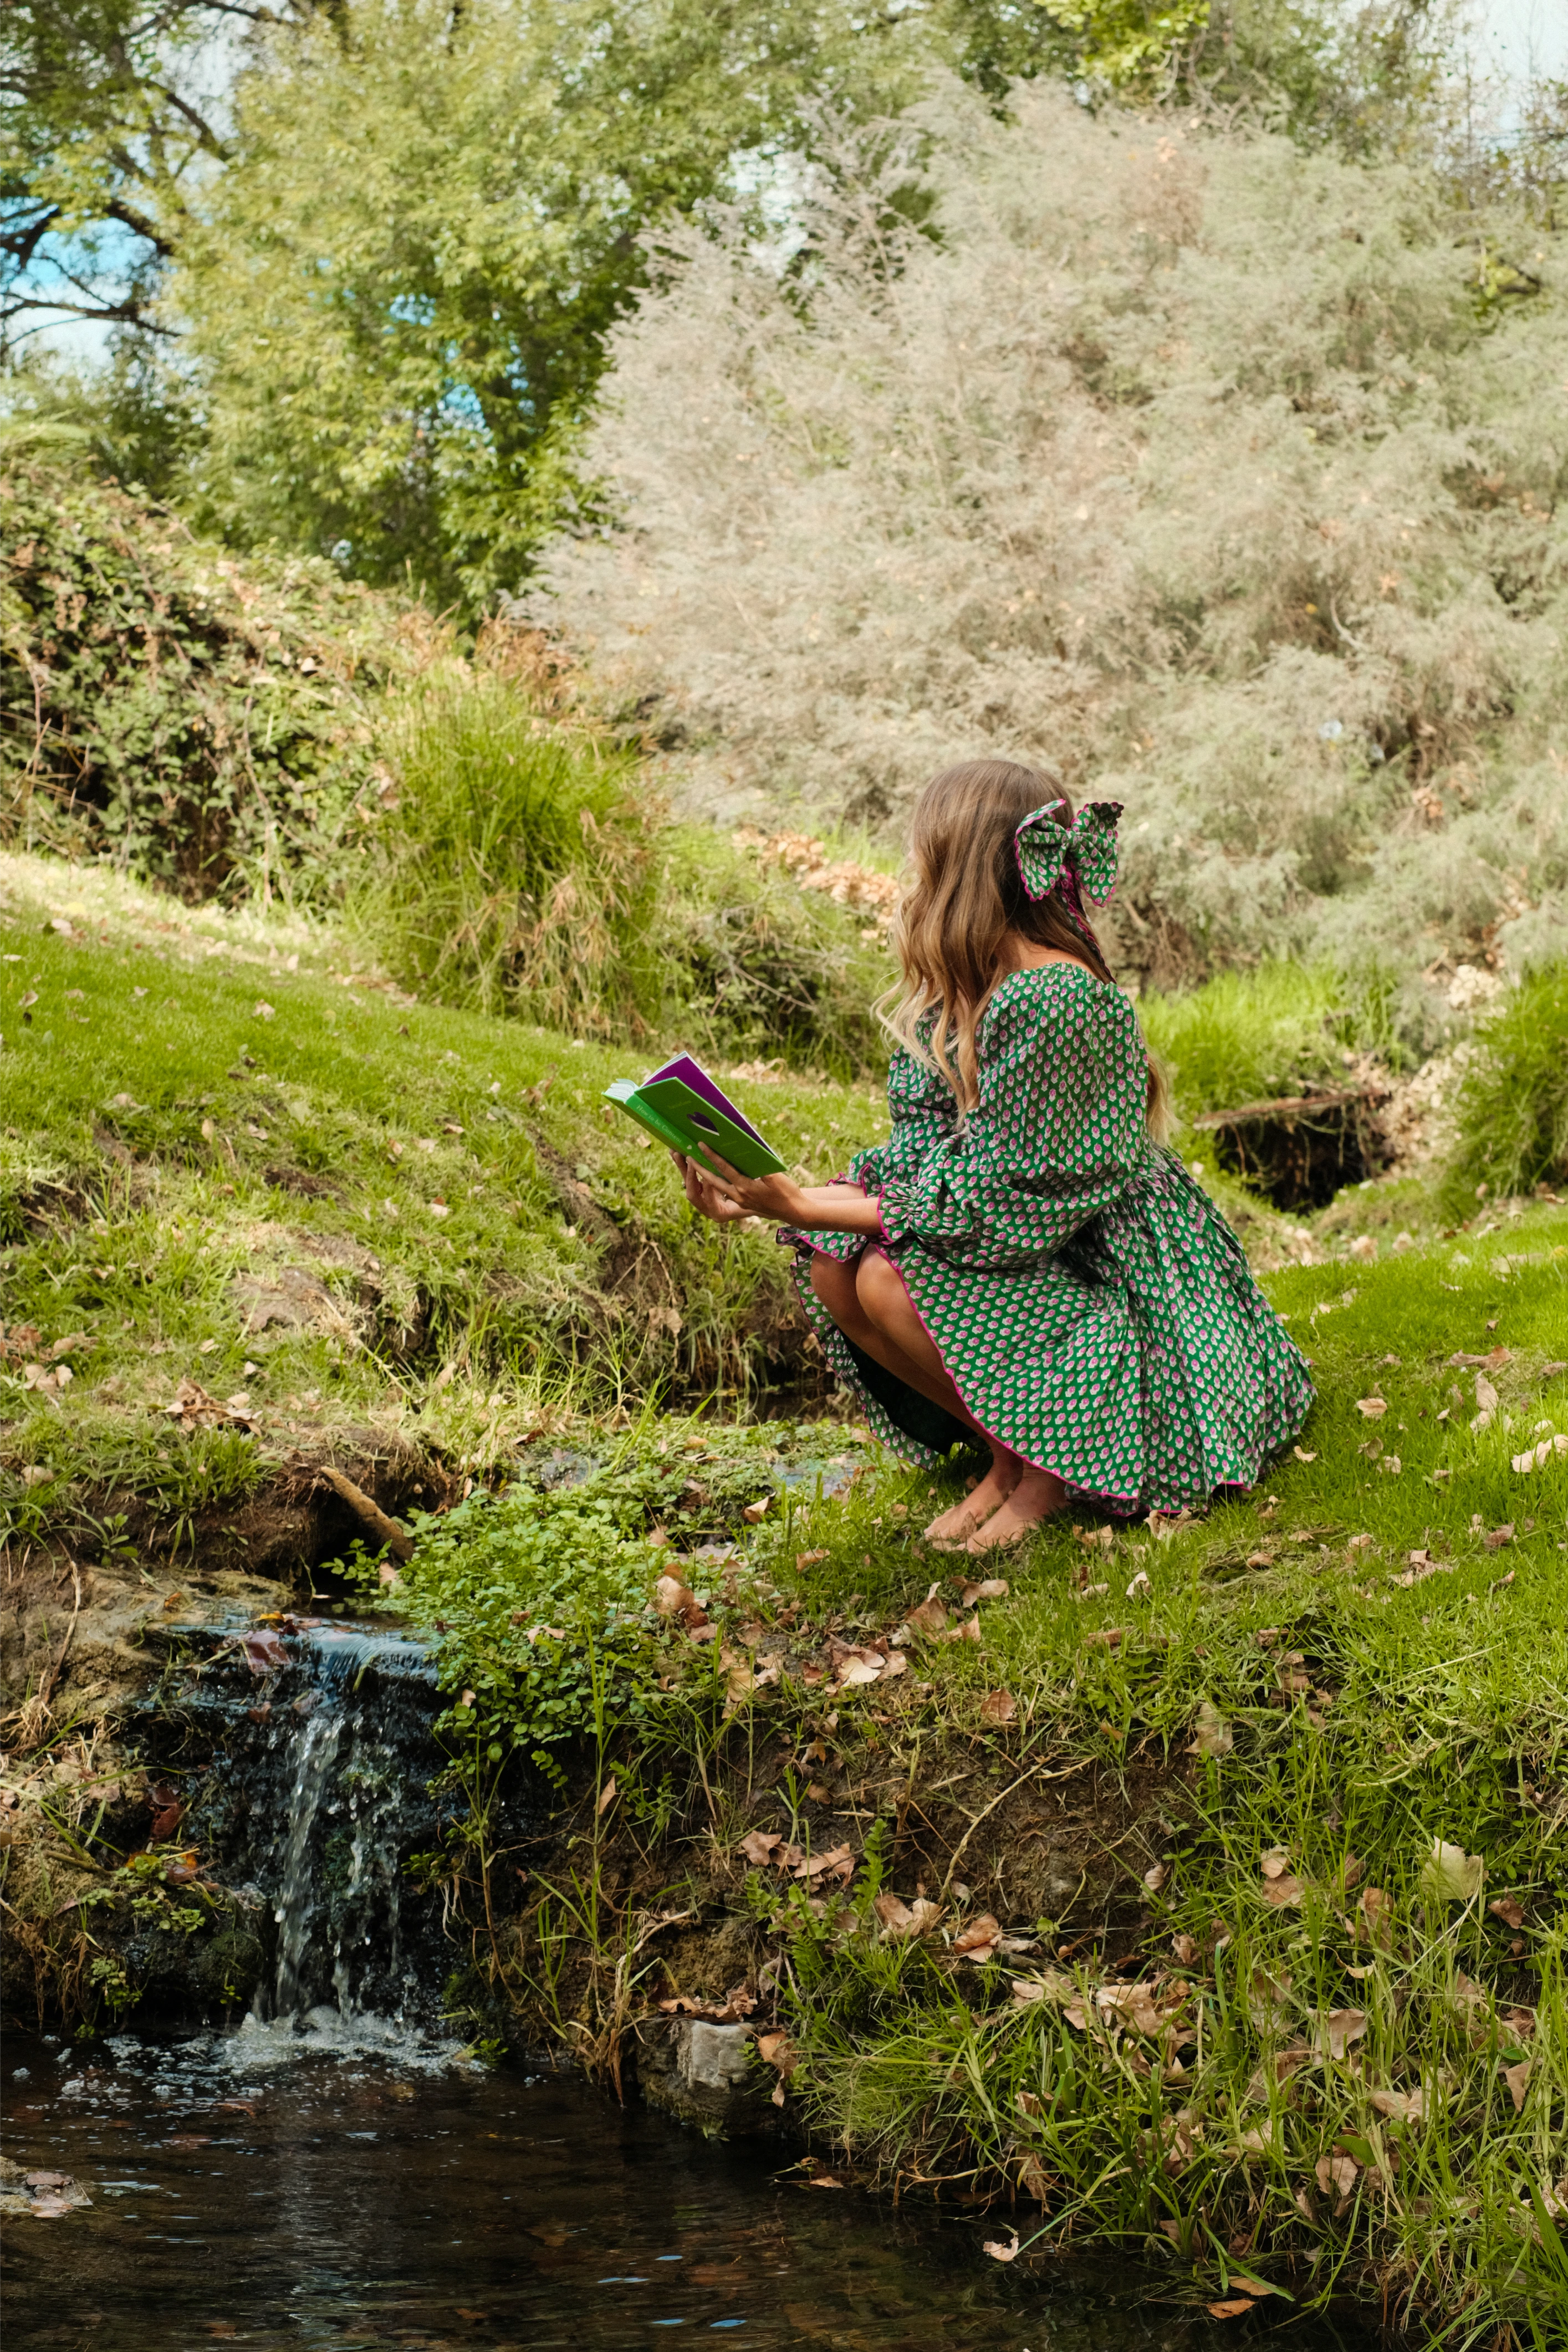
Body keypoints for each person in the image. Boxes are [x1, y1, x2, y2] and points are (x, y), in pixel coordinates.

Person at [671, 759, 1314, 1552]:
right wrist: (779, 1197)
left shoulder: (1054, 997)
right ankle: (1011, 1456)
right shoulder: (971, 985)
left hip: (1097, 1253)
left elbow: (1000, 1205)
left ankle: (1049, 1471)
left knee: (881, 1273)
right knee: (835, 1263)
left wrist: (801, 1204)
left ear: (959, 869)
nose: (915, 876)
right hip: (1012, 1219)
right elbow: (928, 1163)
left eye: (925, 857)